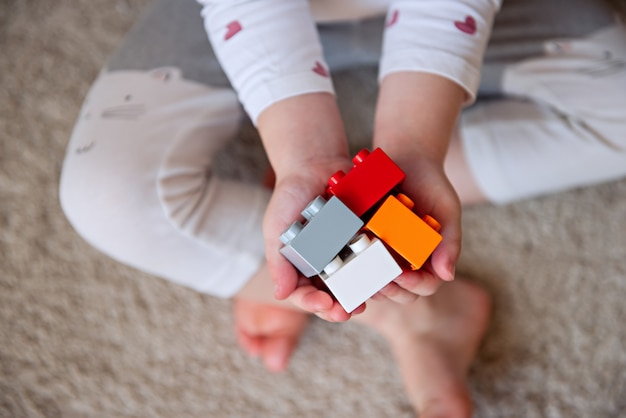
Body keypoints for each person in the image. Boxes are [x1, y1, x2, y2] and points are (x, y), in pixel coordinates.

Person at [59, 0, 626, 416]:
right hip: (242, 26)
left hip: (465, 20)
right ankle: (394, 308)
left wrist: (415, 150)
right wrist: (302, 157)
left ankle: (362, 191)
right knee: (104, 198)